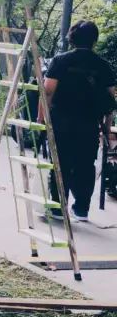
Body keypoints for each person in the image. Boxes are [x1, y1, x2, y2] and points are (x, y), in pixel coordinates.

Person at [43, 20, 116, 222]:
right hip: (89, 123)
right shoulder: (103, 66)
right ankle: (82, 209)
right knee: (85, 164)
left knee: (60, 163)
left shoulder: (60, 61)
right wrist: (107, 129)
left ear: (71, 37)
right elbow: (110, 101)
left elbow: (48, 92)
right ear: (94, 39)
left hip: (61, 121)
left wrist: (43, 121)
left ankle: (58, 208)